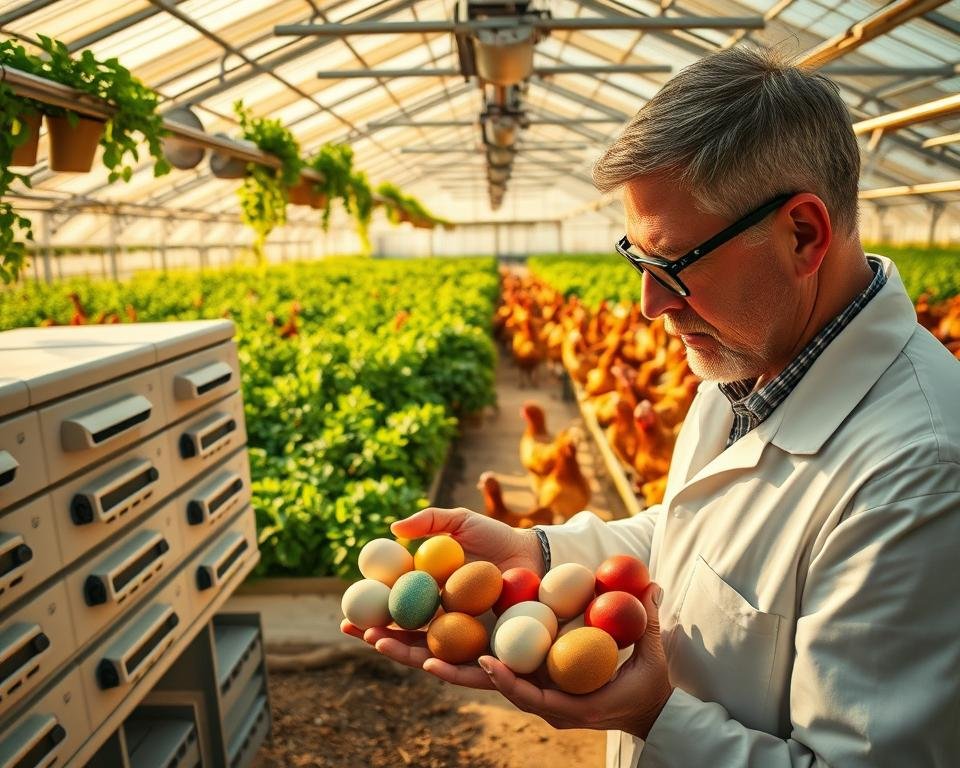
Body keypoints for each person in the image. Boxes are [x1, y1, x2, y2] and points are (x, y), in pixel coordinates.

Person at [342, 46, 960, 767]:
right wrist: (537, 553)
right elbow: (697, 536)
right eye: (636, 261)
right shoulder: (746, 364)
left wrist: (654, 716)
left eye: (672, 264)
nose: (648, 304)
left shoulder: (919, 475)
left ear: (803, 234)